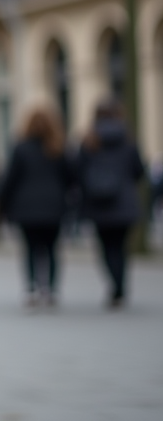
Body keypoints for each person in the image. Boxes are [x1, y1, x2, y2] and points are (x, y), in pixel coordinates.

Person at [0, 107, 75, 308]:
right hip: (54, 206)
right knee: (52, 249)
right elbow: (71, 177)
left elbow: (10, 179)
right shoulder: (59, 147)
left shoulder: (21, 148)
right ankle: (51, 289)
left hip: (26, 207)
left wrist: (1, 205)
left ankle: (31, 288)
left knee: (30, 249)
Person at [76, 98, 146, 309]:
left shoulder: (89, 142)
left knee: (106, 248)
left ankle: (114, 286)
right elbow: (139, 171)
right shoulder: (128, 140)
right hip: (124, 202)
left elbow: (78, 171)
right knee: (121, 247)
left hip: (99, 204)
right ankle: (120, 286)